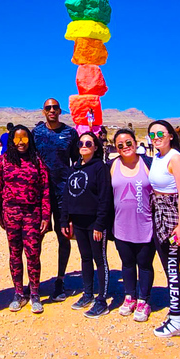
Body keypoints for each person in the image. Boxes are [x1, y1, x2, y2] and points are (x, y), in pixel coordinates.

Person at [148, 120, 180, 337]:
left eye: (160, 133)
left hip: (170, 216)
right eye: (152, 134)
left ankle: (176, 319)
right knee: (168, 265)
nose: (156, 137)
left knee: (171, 267)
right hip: (158, 212)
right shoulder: (158, 157)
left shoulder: (175, 158)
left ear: (171, 135)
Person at [0, 125, 51, 314]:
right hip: (11, 213)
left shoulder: (37, 160)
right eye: (17, 139)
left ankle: (34, 293)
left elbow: (45, 190)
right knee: (15, 253)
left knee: (33, 253)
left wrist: (45, 215)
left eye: (24, 139)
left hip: (32, 213)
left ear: (30, 140)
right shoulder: (3, 161)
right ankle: (18, 293)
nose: (21, 143)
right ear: (11, 140)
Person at [61, 131, 112, 318]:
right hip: (79, 222)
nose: (84, 145)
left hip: (94, 223)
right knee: (85, 258)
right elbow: (67, 196)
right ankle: (88, 294)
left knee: (100, 259)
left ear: (95, 147)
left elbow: (105, 198)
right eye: (81, 143)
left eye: (89, 143)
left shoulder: (100, 168)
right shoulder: (74, 168)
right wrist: (65, 219)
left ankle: (102, 300)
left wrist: (100, 224)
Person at [32, 98, 79, 301]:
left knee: (64, 235)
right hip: (40, 193)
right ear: (43, 111)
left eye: (55, 107)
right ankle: (34, 283)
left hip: (63, 192)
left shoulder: (70, 133)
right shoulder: (36, 134)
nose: (52, 110)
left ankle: (60, 280)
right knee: (36, 238)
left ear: (60, 110)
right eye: (48, 108)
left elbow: (78, 161)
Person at [109, 128, 156, 322]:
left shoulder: (148, 164)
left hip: (146, 225)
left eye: (128, 143)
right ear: (116, 148)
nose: (125, 147)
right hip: (121, 226)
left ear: (136, 143)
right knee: (127, 264)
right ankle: (130, 296)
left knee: (144, 264)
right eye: (120, 145)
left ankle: (144, 299)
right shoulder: (111, 166)